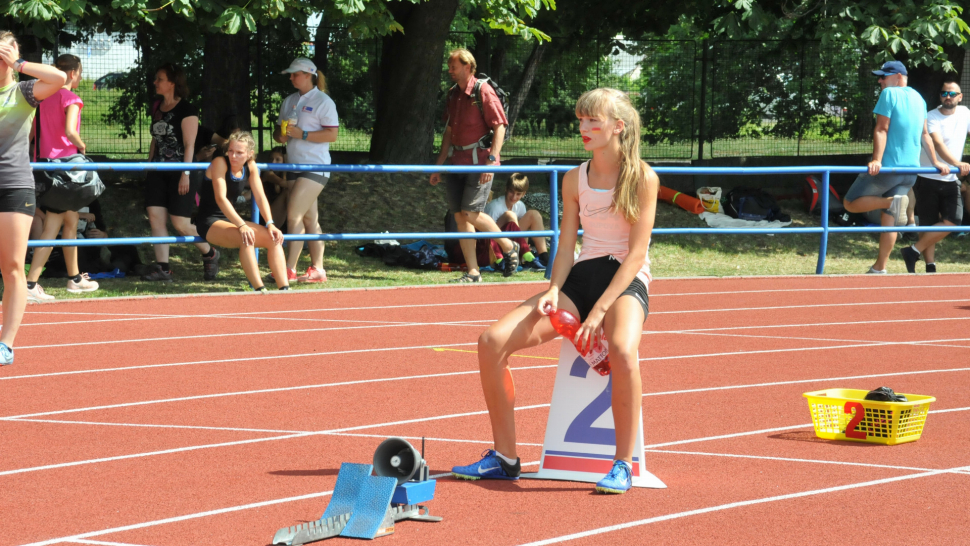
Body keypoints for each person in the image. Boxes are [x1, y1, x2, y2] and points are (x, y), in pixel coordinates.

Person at [451, 88, 659, 494]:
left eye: (593, 120)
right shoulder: (574, 178)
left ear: (618, 126)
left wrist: (599, 311)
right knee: (491, 342)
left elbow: (636, 255)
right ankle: (506, 458)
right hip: (582, 276)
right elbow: (565, 247)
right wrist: (553, 289)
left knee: (621, 349)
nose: (584, 127)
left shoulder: (643, 177)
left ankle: (622, 464)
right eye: (581, 120)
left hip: (626, 280)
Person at [842, 61, 948, 274]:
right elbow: (925, 134)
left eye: (884, 76)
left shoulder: (889, 94)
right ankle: (879, 267)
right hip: (911, 172)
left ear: (899, 76)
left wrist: (877, 160)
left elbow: (882, 129)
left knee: (849, 203)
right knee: (888, 220)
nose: (880, 81)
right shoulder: (919, 98)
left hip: (889, 169)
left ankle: (891, 201)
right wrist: (935, 162)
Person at [0, 31, 68, 365]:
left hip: (13, 186)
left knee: (12, 265)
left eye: (6, 51)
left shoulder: (24, 90)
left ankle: (6, 344)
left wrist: (18, 63)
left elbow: (58, 78)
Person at [429, 48, 520, 282]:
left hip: (480, 162)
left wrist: (491, 161)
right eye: (449, 67)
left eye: (454, 67)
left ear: (468, 67)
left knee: (471, 213)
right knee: (460, 217)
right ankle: (473, 272)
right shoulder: (452, 94)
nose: (450, 71)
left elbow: (500, 126)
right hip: (456, 163)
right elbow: (449, 132)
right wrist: (438, 165)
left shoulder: (483, 90)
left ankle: (508, 246)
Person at [26, 54, 99, 302]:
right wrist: (82, 146)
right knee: (53, 225)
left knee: (71, 220)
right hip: (66, 170)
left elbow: (32, 135)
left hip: (45, 167)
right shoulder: (71, 98)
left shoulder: (42, 99)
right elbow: (70, 131)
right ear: (72, 73)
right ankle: (31, 283)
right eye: (80, 72)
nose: (80, 76)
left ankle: (75, 278)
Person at [142, 63, 220, 282]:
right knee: (155, 218)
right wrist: (149, 164)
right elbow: (155, 140)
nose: (155, 82)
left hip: (181, 170)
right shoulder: (157, 107)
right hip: (158, 170)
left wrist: (185, 173)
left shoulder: (187, 109)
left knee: (181, 223)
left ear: (172, 83)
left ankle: (210, 253)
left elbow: (189, 145)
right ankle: (163, 268)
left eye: (160, 79)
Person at [197, 131, 289, 291]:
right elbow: (221, 199)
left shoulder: (251, 166)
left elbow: (260, 197)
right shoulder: (220, 162)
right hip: (209, 221)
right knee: (246, 237)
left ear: (249, 154)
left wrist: (270, 223)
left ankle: (285, 289)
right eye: (231, 151)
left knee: (274, 238)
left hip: (231, 220)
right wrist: (242, 225)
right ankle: (260, 290)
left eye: (239, 152)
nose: (233, 156)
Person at [273, 57, 337, 283]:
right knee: (310, 219)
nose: (291, 78)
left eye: (295, 74)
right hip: (293, 165)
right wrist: (281, 134)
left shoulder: (323, 101)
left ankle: (288, 269)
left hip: (316, 166)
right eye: (290, 74)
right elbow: (278, 134)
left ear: (309, 75)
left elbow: (332, 135)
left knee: (294, 215)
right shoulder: (289, 100)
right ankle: (318, 269)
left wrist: (304, 134)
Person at [900, 81, 970, 273]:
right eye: (944, 93)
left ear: (960, 97)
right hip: (928, 176)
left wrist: (955, 166)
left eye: (952, 94)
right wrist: (957, 163)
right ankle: (930, 266)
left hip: (950, 179)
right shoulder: (931, 116)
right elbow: (938, 144)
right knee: (928, 224)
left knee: (953, 221)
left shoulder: (965, 113)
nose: (948, 97)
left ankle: (912, 251)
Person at [484, 173, 550, 267]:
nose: (514, 197)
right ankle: (523, 255)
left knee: (534, 214)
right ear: (506, 189)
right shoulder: (495, 206)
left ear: (524, 194)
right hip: (495, 243)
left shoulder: (520, 206)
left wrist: (525, 244)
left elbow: (522, 231)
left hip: (514, 240)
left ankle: (544, 257)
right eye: (511, 192)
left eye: (518, 194)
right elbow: (488, 235)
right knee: (510, 215)